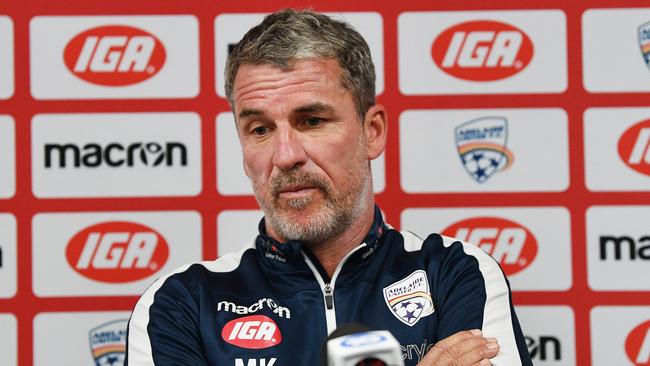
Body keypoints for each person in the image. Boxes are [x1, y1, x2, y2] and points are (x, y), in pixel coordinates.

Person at [126, 9, 532, 366]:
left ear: (372, 132)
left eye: (312, 121)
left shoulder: (455, 274)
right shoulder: (180, 304)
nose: (285, 155)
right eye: (260, 129)